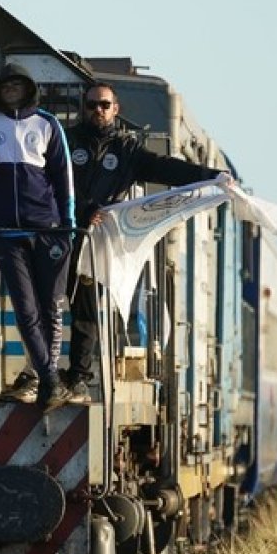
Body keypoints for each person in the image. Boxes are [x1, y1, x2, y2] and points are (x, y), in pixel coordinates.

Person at [60, 82, 226, 402]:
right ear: (83, 107)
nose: (98, 110)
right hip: (60, 235)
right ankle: (42, 373)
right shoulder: (65, 142)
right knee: (48, 305)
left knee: (86, 310)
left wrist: (211, 176)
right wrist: (82, 208)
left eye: (105, 105)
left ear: (116, 109)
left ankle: (78, 376)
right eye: (92, 105)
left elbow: (168, 169)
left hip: (98, 241)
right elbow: (51, 181)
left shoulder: (127, 151)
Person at [0, 64, 75, 411]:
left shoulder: (47, 123)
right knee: (26, 311)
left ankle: (46, 379)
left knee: (50, 308)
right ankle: (52, 380)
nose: (11, 89)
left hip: (48, 230)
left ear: (28, 88)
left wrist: (68, 226)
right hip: (7, 232)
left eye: (18, 84)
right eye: (6, 85)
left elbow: (63, 176)